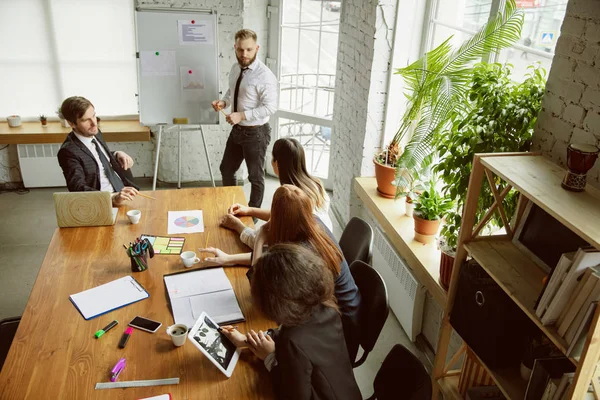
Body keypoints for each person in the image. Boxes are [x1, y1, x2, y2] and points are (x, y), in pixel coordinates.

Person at [201, 185, 361, 359]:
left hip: (337, 335)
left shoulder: (301, 255)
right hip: (338, 315)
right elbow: (272, 259)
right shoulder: (312, 221)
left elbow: (259, 289)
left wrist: (260, 238)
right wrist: (229, 259)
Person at [220, 244, 362, 400]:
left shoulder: (292, 342)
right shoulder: (326, 307)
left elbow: (292, 396)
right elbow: (297, 341)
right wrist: (248, 340)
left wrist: (270, 358)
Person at [220, 137, 333, 248]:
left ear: (277, 164)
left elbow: (257, 242)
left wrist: (236, 225)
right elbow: (281, 217)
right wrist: (250, 210)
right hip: (327, 246)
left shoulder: (289, 197)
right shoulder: (316, 185)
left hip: (306, 257)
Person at [211, 29, 278, 209]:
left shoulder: (265, 76)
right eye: (240, 50)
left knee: (255, 178)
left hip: (256, 133)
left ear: (256, 48)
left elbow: (270, 107)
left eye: (249, 49)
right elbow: (233, 91)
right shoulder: (235, 68)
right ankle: (232, 208)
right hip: (238, 130)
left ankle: (252, 218)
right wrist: (223, 103)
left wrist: (241, 115)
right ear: (235, 47)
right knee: (226, 169)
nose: (244, 54)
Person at [57, 96, 138, 205]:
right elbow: (77, 188)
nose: (94, 123)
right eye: (86, 120)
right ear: (71, 123)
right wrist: (113, 197)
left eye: (94, 115)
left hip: (125, 189)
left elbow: (97, 157)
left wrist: (117, 153)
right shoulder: (68, 152)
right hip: (104, 201)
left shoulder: (94, 132)